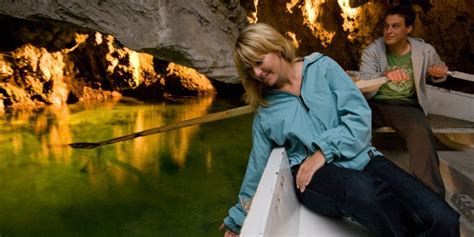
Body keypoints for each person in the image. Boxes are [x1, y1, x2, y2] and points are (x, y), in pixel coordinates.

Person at [220, 23, 459, 237]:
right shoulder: (266, 110)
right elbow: (257, 164)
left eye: (259, 62)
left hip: (362, 157)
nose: (257, 73)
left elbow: (359, 117)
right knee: (366, 193)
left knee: (442, 218)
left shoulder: (323, 68)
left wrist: (323, 152)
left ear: (276, 48)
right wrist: (237, 217)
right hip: (312, 179)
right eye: (249, 69)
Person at [358, 5, 448, 197]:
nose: (389, 31)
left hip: (405, 106)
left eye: (396, 26)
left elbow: (438, 71)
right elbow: (364, 80)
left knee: (420, 132)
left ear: (408, 29)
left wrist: (438, 72)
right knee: (350, 122)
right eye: (386, 26)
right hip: (374, 104)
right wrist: (384, 74)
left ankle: (430, 199)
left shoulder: (424, 50)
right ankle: (358, 184)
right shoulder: (373, 50)